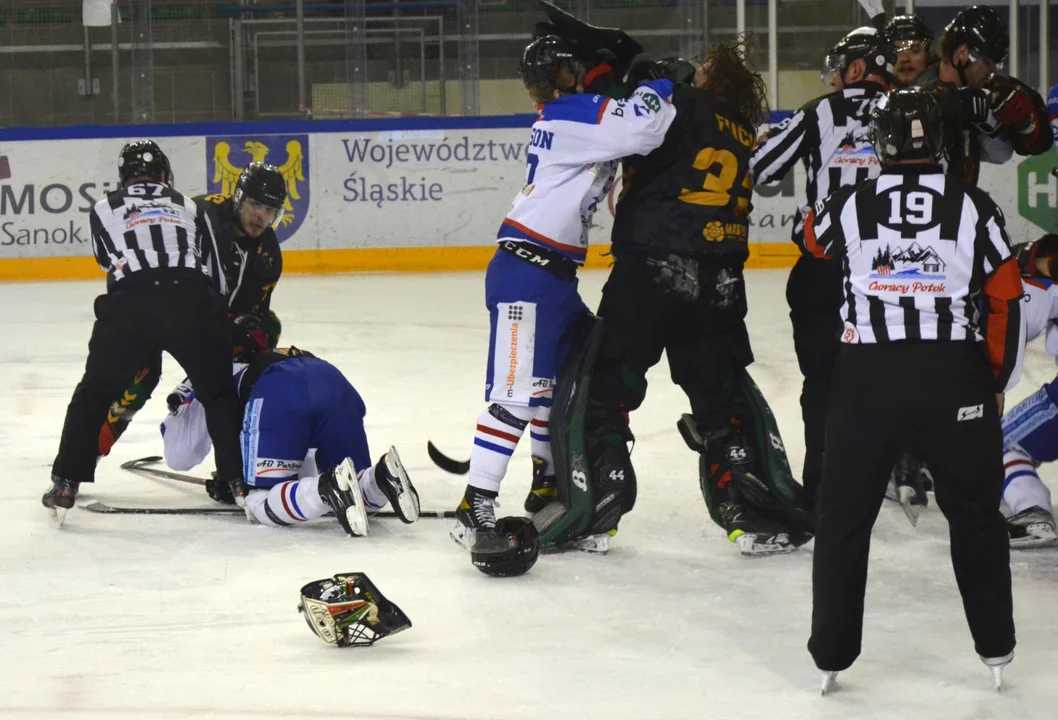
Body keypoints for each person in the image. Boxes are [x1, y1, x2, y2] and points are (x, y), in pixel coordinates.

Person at [804, 89, 1022, 693]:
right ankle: (996, 647)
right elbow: (1005, 296)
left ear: (883, 142)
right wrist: (995, 379)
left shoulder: (848, 203)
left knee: (844, 518)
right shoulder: (974, 206)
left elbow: (813, 242)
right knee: (975, 515)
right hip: (953, 376)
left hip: (865, 380)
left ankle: (831, 654)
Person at [583, 39, 811, 555]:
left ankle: (603, 493)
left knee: (609, 382)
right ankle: (749, 508)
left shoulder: (676, 105)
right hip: (722, 280)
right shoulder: (743, 130)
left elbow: (615, 117)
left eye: (703, 68)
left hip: (654, 268)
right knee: (719, 400)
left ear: (713, 79)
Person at [450, 35, 676, 553]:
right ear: (569, 74)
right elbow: (645, 127)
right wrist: (660, 85)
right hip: (525, 274)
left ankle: (547, 483)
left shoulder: (563, 115)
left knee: (558, 387)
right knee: (514, 396)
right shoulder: (571, 114)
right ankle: (474, 503)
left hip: (551, 277)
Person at [44, 140, 246, 523]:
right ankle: (236, 480)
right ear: (165, 175)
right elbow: (212, 267)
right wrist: (216, 319)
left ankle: (67, 481)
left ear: (124, 178)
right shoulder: (190, 205)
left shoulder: (104, 207)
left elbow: (108, 258)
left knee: (94, 393)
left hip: (133, 303)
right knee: (218, 395)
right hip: (192, 300)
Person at [749, 26, 895, 501]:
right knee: (887, 371)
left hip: (826, 265)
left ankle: (824, 479)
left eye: (839, 68)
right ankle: (892, 468)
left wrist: (769, 138)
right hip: (893, 272)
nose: (833, 77)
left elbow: (763, 167)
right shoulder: (914, 110)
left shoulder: (822, 111)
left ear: (855, 69)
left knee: (823, 377)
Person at [90, 162, 288, 461]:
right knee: (140, 376)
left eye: (270, 210)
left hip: (208, 318)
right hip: (161, 304)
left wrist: (242, 333)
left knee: (264, 332)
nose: (260, 216)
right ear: (239, 197)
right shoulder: (201, 213)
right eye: (255, 204)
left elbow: (253, 313)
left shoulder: (268, 255)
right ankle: (88, 452)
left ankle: (233, 446)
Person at [163, 346, 420, 535]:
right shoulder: (262, 354)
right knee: (357, 488)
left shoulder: (207, 375)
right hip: (333, 380)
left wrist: (234, 480)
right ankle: (381, 477)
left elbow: (180, 454)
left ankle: (325, 488)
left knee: (260, 502)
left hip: (280, 391)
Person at [917, 5, 1052, 186]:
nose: (993, 70)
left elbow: (1042, 142)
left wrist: (1026, 123)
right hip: (922, 206)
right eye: (988, 61)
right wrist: (968, 104)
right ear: (963, 54)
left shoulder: (986, 85)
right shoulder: (920, 89)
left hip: (960, 205)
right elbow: (935, 101)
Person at [883, 14, 935, 88]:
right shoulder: (874, 96)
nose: (904, 59)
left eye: (914, 50)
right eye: (897, 51)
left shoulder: (943, 97)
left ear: (928, 55)